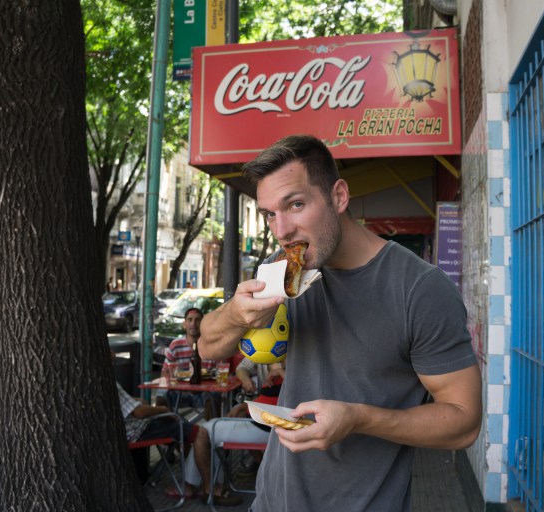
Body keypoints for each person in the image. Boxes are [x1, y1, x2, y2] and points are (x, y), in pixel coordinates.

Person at [199, 134, 482, 511]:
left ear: (339, 197)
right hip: (271, 501)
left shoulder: (419, 288)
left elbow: (464, 422)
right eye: (270, 213)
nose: (281, 231)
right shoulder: (276, 269)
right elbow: (208, 348)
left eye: (295, 204)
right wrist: (236, 314)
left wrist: (358, 418)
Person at [113, 353, 241, 506]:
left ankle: (188, 482)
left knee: (184, 425)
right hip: (138, 431)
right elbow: (139, 413)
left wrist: (137, 401)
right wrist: (161, 409)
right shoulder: (109, 380)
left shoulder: (99, 379)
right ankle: (210, 490)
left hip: (130, 430)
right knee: (201, 433)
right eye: (109, 352)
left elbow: (129, 405)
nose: (114, 355)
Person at [160, 307, 221, 419]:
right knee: (161, 396)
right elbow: (165, 372)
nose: (193, 324)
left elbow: (220, 372)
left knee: (214, 396)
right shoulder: (175, 345)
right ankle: (171, 431)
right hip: (180, 392)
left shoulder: (212, 345)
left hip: (205, 393)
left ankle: (210, 432)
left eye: (198, 320)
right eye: (190, 320)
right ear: (184, 324)